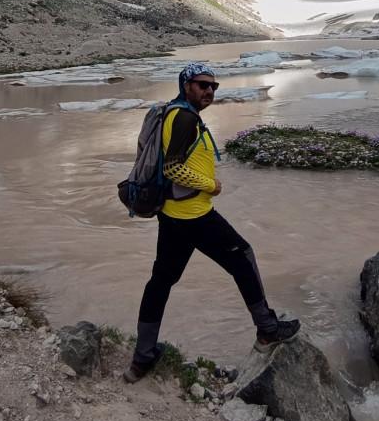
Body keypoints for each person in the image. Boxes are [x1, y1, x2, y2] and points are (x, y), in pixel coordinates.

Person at [124, 62, 300, 382]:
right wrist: (212, 185)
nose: (208, 91)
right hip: (194, 215)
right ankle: (268, 329)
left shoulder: (174, 113)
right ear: (186, 85)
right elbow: (174, 169)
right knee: (243, 256)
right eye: (202, 85)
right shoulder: (186, 118)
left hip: (173, 216)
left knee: (160, 283)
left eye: (213, 87)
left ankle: (142, 358)